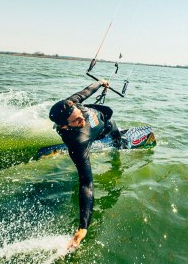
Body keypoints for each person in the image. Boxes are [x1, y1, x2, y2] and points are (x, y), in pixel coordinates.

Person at [48, 80, 122, 251]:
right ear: (65, 126)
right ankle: (116, 141)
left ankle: (118, 141)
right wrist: (83, 227)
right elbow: (86, 184)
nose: (81, 118)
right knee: (111, 128)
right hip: (99, 132)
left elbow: (87, 90)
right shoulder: (78, 143)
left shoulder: (71, 103)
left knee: (113, 125)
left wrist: (101, 82)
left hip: (104, 118)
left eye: (78, 113)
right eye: (76, 120)